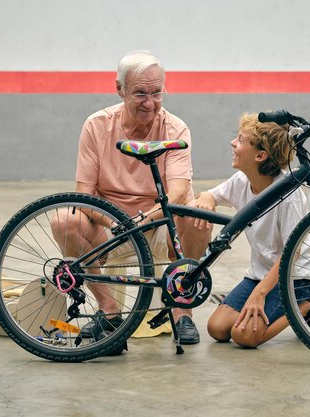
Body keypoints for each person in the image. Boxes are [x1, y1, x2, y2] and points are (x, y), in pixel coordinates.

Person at [52, 50, 208, 348]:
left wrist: (142, 221)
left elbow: (175, 193)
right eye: (140, 93)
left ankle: (182, 311)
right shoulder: (97, 126)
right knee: (64, 219)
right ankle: (108, 310)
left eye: (157, 92)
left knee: (195, 217)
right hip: (111, 229)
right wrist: (119, 223)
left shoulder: (175, 129)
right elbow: (84, 195)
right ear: (119, 89)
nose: (150, 103)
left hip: (160, 224)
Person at [192, 113, 310, 348]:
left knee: (245, 336)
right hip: (258, 274)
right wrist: (205, 197)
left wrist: (259, 293)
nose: (232, 144)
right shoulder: (241, 181)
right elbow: (211, 195)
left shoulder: (288, 195)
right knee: (217, 328)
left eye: (240, 140)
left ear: (260, 155)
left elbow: (292, 253)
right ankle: (268, 304)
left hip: (293, 277)